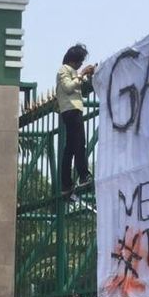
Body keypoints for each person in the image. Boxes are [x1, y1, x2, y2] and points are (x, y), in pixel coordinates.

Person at [56, 43, 94, 198]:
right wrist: (81, 74)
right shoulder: (63, 70)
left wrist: (89, 76)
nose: (80, 65)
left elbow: (83, 92)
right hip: (71, 110)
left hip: (73, 110)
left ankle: (66, 185)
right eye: (79, 61)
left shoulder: (73, 71)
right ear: (72, 59)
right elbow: (68, 87)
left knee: (70, 148)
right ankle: (83, 176)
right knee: (79, 144)